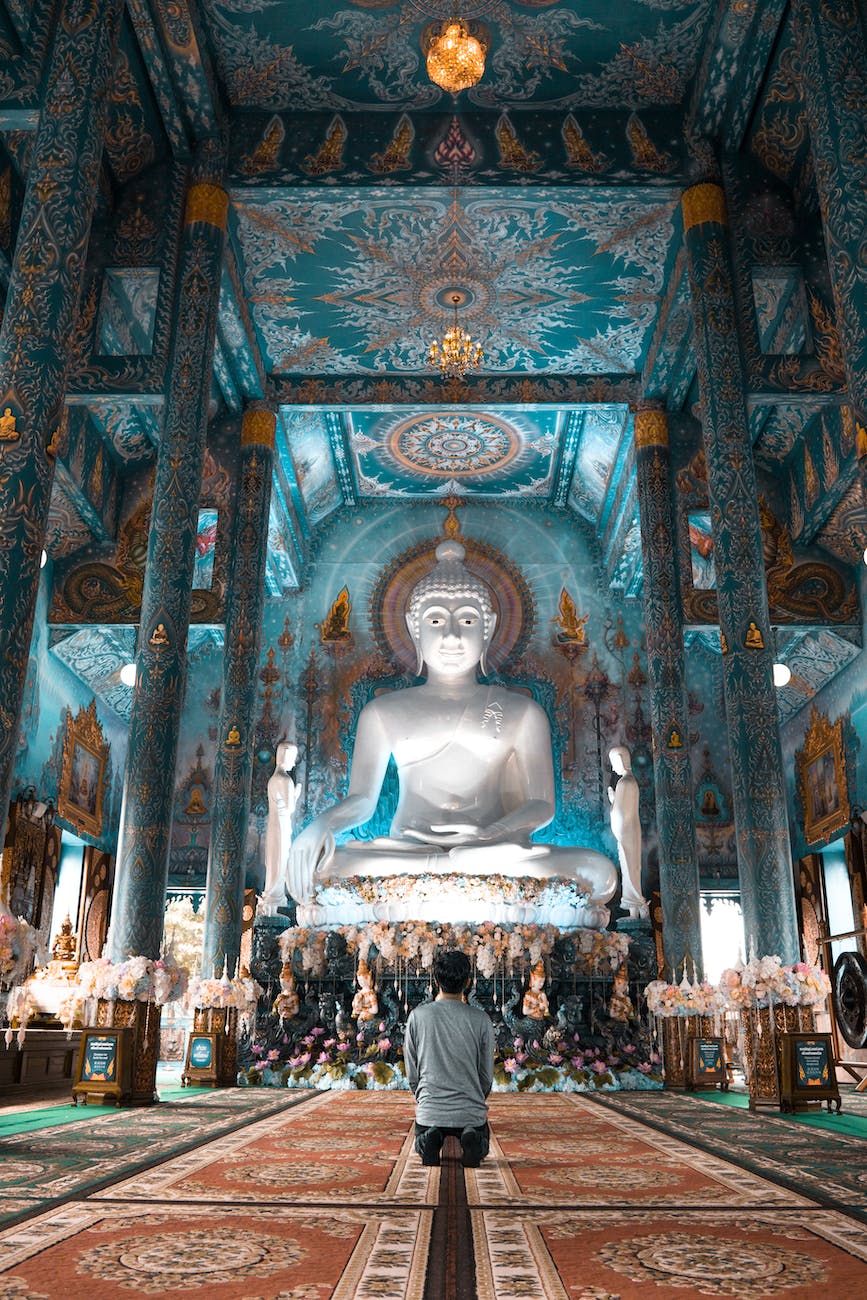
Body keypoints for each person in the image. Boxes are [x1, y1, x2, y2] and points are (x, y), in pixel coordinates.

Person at [287, 540, 617, 924]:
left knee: (598, 873)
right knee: (316, 871)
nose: (452, 637)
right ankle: (451, 867)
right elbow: (362, 800)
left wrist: (491, 834)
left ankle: (453, 868)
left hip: (493, 848)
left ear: (488, 632)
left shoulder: (519, 710)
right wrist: (320, 826)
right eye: (436, 621)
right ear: (415, 631)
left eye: (467, 621)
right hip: (406, 850)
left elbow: (542, 805)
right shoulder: (383, 711)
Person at [404, 949, 494, 1168]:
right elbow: (486, 1075)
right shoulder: (481, 1019)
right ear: (468, 982)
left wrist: (425, 1097)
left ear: (435, 980)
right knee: (481, 1140)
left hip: (430, 1108)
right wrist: (474, 1097)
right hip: (471, 1109)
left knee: (424, 1135)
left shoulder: (417, 1016)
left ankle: (430, 1137)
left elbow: (412, 1071)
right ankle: (471, 1137)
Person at [607, 745, 649, 920]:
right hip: (631, 829)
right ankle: (635, 911)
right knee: (631, 869)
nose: (613, 768)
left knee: (630, 869)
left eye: (614, 763)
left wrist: (613, 799)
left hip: (626, 831)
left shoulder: (624, 783)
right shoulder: (631, 781)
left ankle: (638, 905)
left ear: (621, 760)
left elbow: (619, 811)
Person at [261, 740, 299, 914]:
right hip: (282, 825)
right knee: (280, 858)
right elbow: (290, 808)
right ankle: (276, 895)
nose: (293, 762)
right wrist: (296, 794)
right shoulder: (285, 780)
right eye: (292, 757)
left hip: (273, 824)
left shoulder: (273, 779)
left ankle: (272, 892)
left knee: (274, 859)